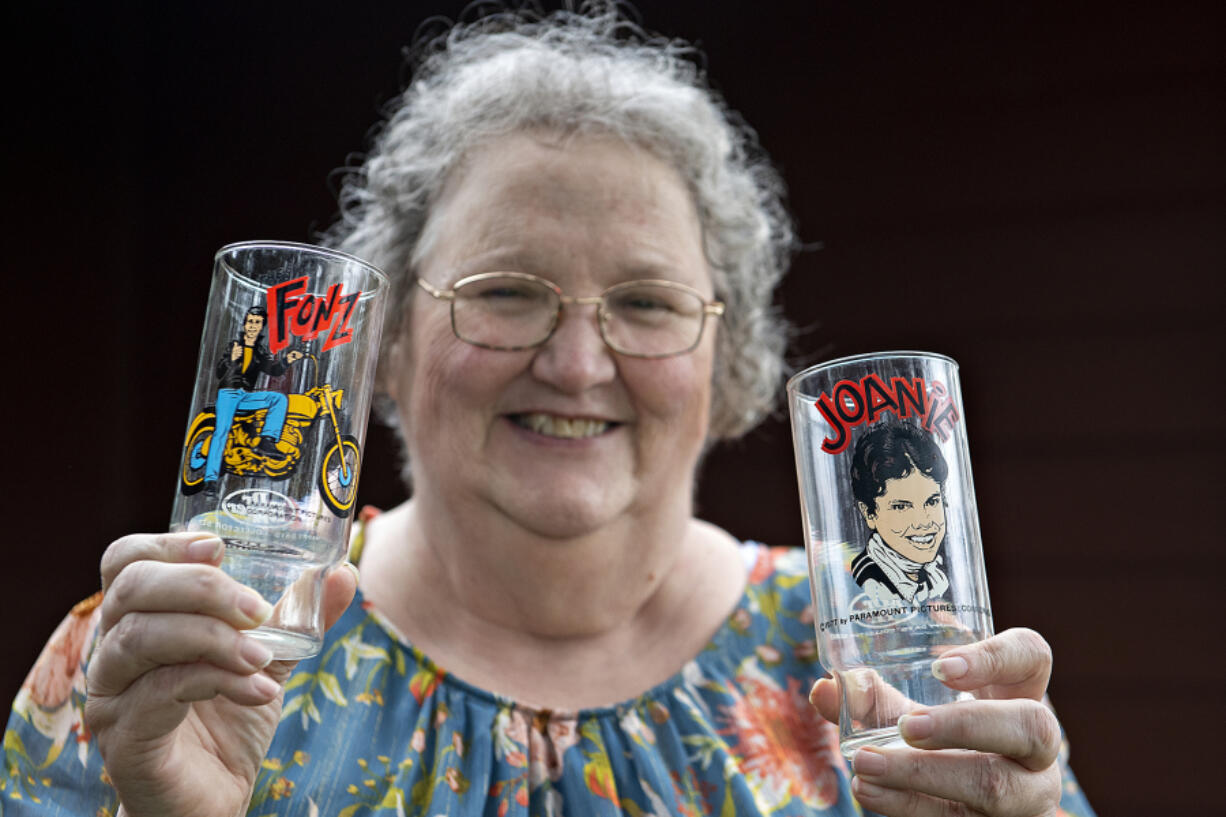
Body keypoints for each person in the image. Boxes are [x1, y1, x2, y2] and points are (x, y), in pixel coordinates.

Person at [5, 6, 1096, 816]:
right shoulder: (169, 650)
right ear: (382, 346)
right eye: (504, 292)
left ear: (728, 360)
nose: (576, 363)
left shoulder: (890, 672)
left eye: (645, 302)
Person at [205, 304, 306, 494]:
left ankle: (266, 440)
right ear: (244, 324)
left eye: (257, 322)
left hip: (245, 396)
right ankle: (210, 479)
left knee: (278, 399)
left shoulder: (259, 352)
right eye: (250, 321)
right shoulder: (234, 346)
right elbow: (218, 372)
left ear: (262, 327)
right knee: (222, 432)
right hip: (228, 393)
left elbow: (273, 370)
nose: (253, 325)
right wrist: (230, 360)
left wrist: (288, 359)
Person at [849, 422, 951, 606]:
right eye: (901, 507)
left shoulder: (937, 576)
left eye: (931, 502)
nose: (923, 522)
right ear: (869, 513)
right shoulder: (867, 583)